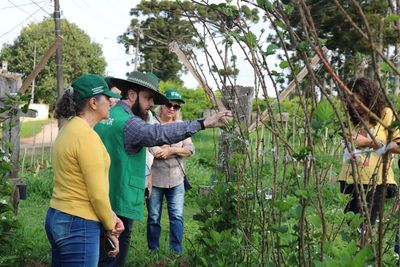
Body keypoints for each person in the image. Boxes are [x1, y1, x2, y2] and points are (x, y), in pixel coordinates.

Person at [94, 71, 231, 266]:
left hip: (100, 195)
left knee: (99, 252)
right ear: (132, 95)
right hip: (120, 197)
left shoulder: (106, 117)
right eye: (148, 98)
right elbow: (157, 133)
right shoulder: (130, 123)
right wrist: (202, 123)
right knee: (112, 256)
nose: (151, 104)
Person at [45, 74, 124, 266]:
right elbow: (97, 194)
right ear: (93, 103)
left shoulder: (68, 130)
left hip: (57, 215)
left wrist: (110, 216)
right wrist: (110, 225)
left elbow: (77, 182)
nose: (112, 102)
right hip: (79, 223)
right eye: (107, 97)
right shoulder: (87, 137)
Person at [338, 77, 399, 226]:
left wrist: (368, 143)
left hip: (374, 182)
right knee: (351, 230)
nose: (354, 105)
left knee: (364, 230)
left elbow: (397, 145)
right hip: (351, 180)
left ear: (369, 97)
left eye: (358, 101)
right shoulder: (354, 118)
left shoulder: (386, 114)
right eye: (351, 101)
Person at [146, 89, 193, 254]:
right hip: (156, 178)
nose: (172, 109)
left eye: (176, 106)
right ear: (162, 105)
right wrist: (160, 151)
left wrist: (172, 150)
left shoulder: (182, 126)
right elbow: (150, 147)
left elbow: (190, 149)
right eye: (169, 104)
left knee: (177, 217)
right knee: (153, 217)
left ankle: (176, 252)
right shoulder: (152, 123)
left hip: (176, 179)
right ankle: (153, 251)